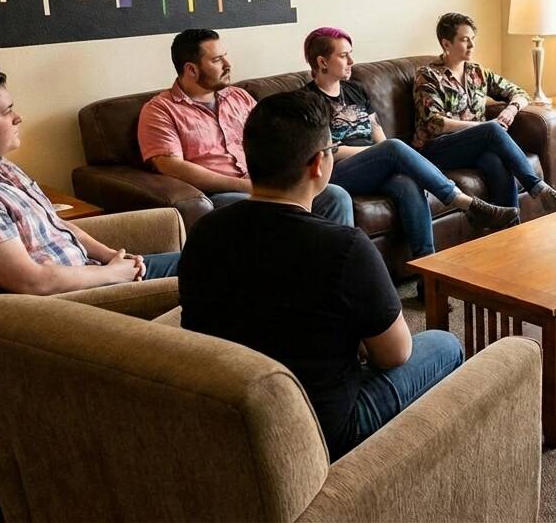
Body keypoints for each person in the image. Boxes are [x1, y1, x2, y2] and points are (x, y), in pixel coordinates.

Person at [177, 90, 463, 458]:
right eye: (331, 149)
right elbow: (395, 354)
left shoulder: (204, 231)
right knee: (444, 344)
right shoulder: (345, 247)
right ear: (318, 164)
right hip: (325, 432)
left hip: (230, 420)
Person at [0, 68, 178, 304]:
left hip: (92, 275)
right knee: (202, 273)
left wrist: (112, 257)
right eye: (7, 111)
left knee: (202, 256)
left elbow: (54, 224)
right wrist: (112, 273)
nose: (18, 118)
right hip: (72, 305)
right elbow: (31, 282)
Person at [299, 26, 520, 259]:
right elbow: (328, 150)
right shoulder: (308, 101)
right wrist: (379, 151)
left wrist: (381, 153)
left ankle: (427, 264)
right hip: (338, 172)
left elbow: (376, 129)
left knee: (408, 184)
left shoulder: (356, 90)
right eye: (344, 56)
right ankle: (463, 202)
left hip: (373, 164)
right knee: (393, 147)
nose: (351, 61)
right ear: (322, 62)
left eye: (350, 54)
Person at [138, 28, 352, 225]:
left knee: (335, 196)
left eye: (225, 56)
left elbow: (276, 138)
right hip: (222, 194)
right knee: (273, 208)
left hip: (270, 183)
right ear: (191, 69)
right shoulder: (160, 110)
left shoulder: (238, 97)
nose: (228, 64)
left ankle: (336, 255)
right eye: (217, 60)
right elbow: (172, 167)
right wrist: (247, 185)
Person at [412, 12, 556, 212]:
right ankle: (540, 190)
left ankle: (510, 224)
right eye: (465, 40)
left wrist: (511, 109)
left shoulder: (476, 72)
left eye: (472, 39)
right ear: (446, 44)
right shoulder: (428, 75)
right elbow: (434, 123)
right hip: (436, 149)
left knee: (496, 161)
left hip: (473, 146)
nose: (472, 45)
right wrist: (482, 128)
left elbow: (520, 93)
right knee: (491, 130)